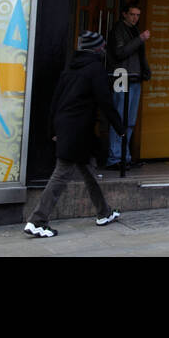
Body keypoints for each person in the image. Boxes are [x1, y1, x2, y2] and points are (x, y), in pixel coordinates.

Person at [24, 32, 124, 237]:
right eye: (102, 46)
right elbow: (105, 101)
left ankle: (104, 212)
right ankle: (37, 220)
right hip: (77, 129)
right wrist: (120, 127)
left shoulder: (71, 67)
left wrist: (53, 129)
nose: (104, 50)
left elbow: (56, 99)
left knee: (87, 171)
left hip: (68, 126)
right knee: (61, 173)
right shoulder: (95, 69)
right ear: (97, 49)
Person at [105, 2, 150, 169]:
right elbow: (120, 53)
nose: (135, 18)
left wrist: (145, 71)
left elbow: (139, 56)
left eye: (138, 15)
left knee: (129, 119)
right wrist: (140, 39)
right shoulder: (119, 30)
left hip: (133, 77)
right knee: (120, 117)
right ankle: (115, 157)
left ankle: (124, 156)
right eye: (132, 14)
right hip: (121, 76)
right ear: (124, 14)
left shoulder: (133, 30)